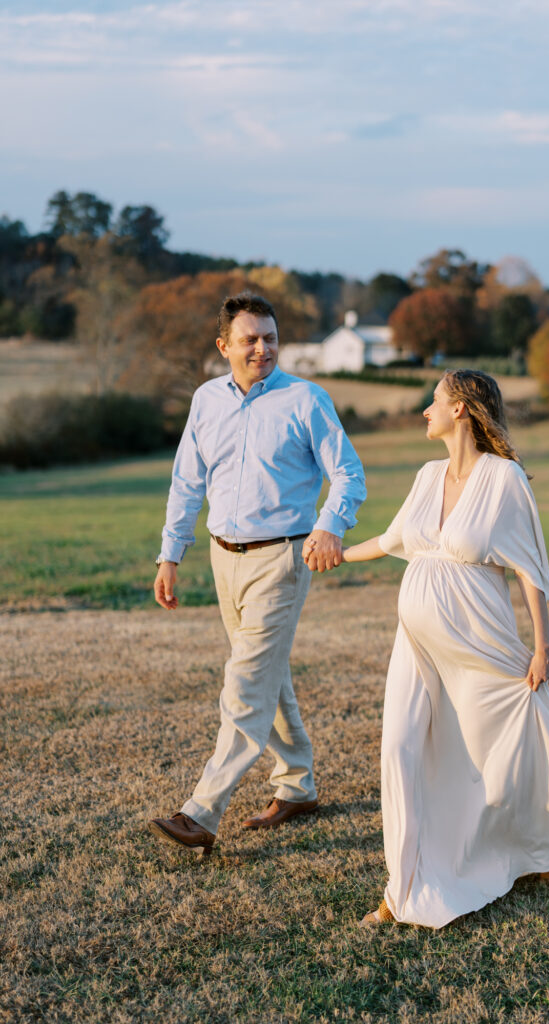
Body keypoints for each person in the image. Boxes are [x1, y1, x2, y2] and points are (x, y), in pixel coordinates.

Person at [339, 369, 549, 928]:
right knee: (400, 749)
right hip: (417, 645)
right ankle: (401, 889)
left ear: (461, 409)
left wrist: (542, 646)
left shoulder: (504, 479)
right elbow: (391, 542)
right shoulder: (426, 474)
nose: (424, 412)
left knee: (509, 745)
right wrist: (335, 554)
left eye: (433, 401)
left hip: (479, 641)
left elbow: (529, 567)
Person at [148, 292, 365, 857]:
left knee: (245, 685)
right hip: (225, 558)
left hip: (284, 559)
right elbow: (186, 483)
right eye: (250, 339)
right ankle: (298, 787)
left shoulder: (305, 399)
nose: (263, 348)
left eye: (270, 337)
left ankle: (201, 812)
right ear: (224, 346)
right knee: (269, 676)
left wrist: (329, 526)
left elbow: (348, 474)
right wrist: (171, 554)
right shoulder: (205, 401)